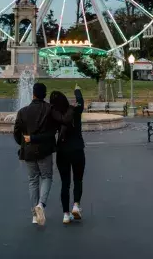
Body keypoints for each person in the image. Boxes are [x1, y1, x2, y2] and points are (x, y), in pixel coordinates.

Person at [13, 82, 70, 226]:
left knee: (33, 180)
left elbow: (16, 133)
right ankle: (41, 204)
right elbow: (57, 126)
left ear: (33, 94)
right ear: (45, 94)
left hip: (28, 150)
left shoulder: (22, 111)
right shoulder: (49, 109)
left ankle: (34, 214)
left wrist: (24, 143)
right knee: (47, 176)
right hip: (45, 150)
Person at [49, 87, 85, 224]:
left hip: (62, 150)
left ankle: (65, 214)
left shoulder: (55, 115)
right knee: (78, 179)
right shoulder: (75, 111)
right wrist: (76, 90)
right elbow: (81, 101)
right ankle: (76, 205)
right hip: (77, 148)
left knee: (65, 183)